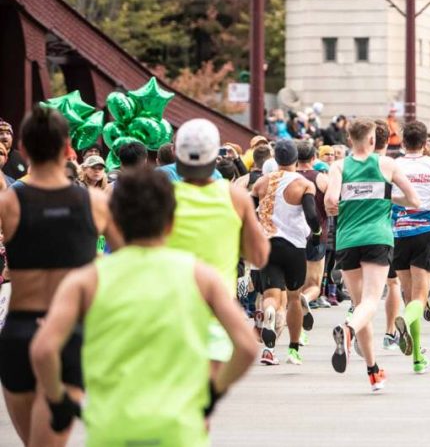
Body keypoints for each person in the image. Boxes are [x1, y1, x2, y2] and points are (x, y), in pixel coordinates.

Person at [29, 167, 259, 446]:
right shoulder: (199, 276)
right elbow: (246, 345)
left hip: (111, 429)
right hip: (179, 430)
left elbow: (43, 350)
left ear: (114, 219)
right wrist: (212, 393)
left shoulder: (86, 280)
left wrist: (58, 401)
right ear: (171, 222)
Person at [0, 107, 120, 446]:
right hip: (70, 333)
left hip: (19, 333)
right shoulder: (95, 204)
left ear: (22, 148)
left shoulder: (8, 204)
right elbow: (130, 265)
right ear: (69, 148)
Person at [166, 118, 268, 377]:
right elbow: (259, 255)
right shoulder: (234, 197)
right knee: (202, 398)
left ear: (177, 157)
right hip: (216, 313)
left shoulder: (164, 198)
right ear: (215, 156)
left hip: (170, 310)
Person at [324, 119, 419, 391]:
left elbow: (331, 200)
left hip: (347, 239)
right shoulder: (386, 165)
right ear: (372, 141)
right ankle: (346, 330)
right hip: (377, 237)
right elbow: (415, 200)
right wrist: (388, 196)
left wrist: (340, 204)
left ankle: (373, 370)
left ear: (349, 139)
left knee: (360, 305)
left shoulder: (338, 166)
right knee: (370, 303)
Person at [386, 121, 430, 374]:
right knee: (421, 296)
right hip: (425, 230)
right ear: (426, 143)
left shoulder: (393, 165)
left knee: (407, 292)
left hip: (398, 230)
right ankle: (410, 331)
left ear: (403, 142)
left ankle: (417, 356)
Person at [252, 140, 321, 365]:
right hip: (293, 247)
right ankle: (293, 349)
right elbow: (311, 215)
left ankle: (269, 342)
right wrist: (317, 233)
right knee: (293, 298)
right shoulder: (302, 184)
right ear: (295, 160)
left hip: (266, 245)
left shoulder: (261, 183)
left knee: (270, 297)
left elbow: (250, 214)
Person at [297, 140, 330, 330]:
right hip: (317, 234)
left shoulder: (289, 177)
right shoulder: (321, 178)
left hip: (292, 235)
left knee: (294, 283)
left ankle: (294, 324)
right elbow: (334, 202)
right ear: (313, 158)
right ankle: (307, 298)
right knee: (314, 284)